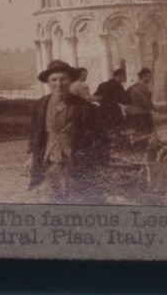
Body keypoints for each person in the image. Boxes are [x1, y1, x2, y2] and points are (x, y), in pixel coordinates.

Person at [25, 59, 93, 202]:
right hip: (48, 162)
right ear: (48, 82)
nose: (59, 84)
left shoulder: (84, 106)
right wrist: (32, 156)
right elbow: (35, 133)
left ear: (70, 81)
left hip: (74, 164)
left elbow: (99, 137)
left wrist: (93, 163)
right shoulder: (40, 105)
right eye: (54, 79)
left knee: (77, 203)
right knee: (50, 201)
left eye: (63, 79)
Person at [90, 66, 129, 168]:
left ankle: (107, 151)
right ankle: (117, 151)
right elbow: (124, 100)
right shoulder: (118, 86)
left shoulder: (102, 85)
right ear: (118, 76)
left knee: (106, 130)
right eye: (122, 77)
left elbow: (97, 97)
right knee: (117, 130)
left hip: (102, 110)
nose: (123, 79)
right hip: (113, 110)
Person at [126, 67, 156, 135]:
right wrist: (151, 107)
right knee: (145, 134)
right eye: (148, 77)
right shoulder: (142, 87)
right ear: (143, 77)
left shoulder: (131, 87)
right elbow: (145, 101)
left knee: (134, 133)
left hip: (131, 113)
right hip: (142, 114)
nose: (150, 79)